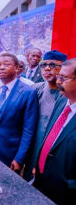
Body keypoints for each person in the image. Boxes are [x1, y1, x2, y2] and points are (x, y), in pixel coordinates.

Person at [0, 53, 39, 173]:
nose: (1, 67)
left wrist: (19, 158)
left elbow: (29, 129)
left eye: (6, 64)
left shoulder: (28, 92)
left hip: (11, 152)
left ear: (17, 68)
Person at [33, 59, 76, 204]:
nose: (58, 82)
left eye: (64, 78)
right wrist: (39, 165)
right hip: (43, 181)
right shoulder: (62, 101)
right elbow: (51, 137)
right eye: (59, 77)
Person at [24, 50, 66, 181]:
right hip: (34, 146)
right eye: (44, 65)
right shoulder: (35, 89)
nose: (47, 68)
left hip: (57, 150)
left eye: (53, 65)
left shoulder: (68, 93)